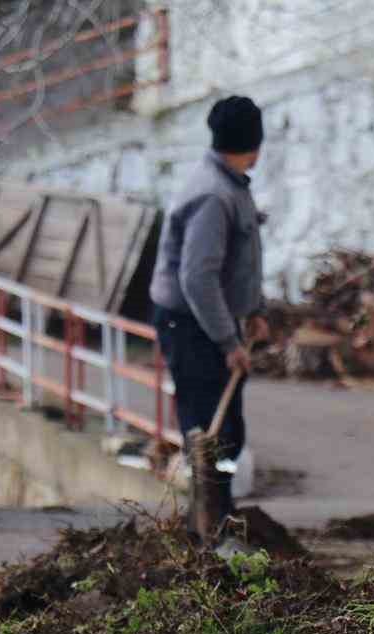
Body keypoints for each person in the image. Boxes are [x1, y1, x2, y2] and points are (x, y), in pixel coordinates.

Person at [149, 95, 270, 540]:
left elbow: (236, 262)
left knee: (226, 429)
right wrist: (228, 342)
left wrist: (252, 311)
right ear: (254, 144)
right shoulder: (214, 196)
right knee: (208, 432)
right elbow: (198, 278)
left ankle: (219, 520)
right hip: (190, 324)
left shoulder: (230, 184)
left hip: (207, 320)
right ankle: (207, 530)